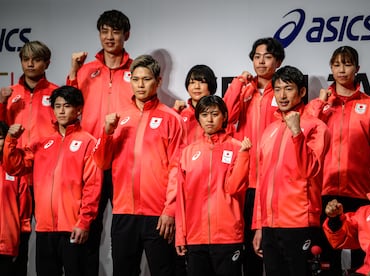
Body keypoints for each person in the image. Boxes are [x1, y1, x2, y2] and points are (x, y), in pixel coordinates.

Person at [93, 54, 184, 276]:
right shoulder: (118, 119)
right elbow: (102, 162)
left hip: (158, 215)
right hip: (124, 212)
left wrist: (170, 210)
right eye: (135, 79)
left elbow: (177, 167)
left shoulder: (171, 118)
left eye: (146, 79)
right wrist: (106, 133)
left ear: (158, 81)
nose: (140, 85)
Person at [3, 85, 103, 276]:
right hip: (45, 228)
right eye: (57, 106)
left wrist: (83, 222)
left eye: (67, 106)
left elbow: (93, 187)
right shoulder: (42, 143)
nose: (62, 111)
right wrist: (10, 141)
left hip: (73, 228)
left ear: (79, 109)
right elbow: (15, 167)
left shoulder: (88, 142)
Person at [66, 10, 133, 274]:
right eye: (104, 31)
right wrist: (73, 71)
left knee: (124, 227)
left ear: (126, 35)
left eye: (115, 31)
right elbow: (69, 105)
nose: (109, 37)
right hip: (90, 159)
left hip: (124, 158)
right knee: (87, 226)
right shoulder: (86, 71)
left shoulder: (136, 71)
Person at [307, 46, 370, 274]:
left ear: (357, 69)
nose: (341, 69)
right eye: (337, 64)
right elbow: (305, 133)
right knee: (327, 259)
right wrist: (320, 104)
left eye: (347, 64)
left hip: (361, 192)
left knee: (363, 257)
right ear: (331, 67)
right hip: (326, 189)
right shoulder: (319, 106)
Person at [252, 65, 330, 276]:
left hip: (299, 221)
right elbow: (262, 181)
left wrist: (297, 132)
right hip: (270, 225)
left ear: (302, 92)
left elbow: (310, 169)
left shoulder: (316, 127)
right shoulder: (269, 130)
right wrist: (259, 225)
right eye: (277, 89)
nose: (282, 95)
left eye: (288, 88)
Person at [223, 37, 285, 276]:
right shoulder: (245, 90)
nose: (261, 61)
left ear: (277, 61)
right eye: (257, 56)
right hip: (246, 181)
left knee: (271, 248)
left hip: (273, 182)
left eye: (267, 56)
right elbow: (226, 116)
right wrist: (238, 84)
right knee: (248, 249)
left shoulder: (281, 91)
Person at [175, 95, 252, 276]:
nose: (209, 120)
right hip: (195, 238)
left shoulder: (237, 148)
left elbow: (235, 188)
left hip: (228, 236)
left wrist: (244, 156)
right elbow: (181, 198)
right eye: (204, 115)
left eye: (215, 114)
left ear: (224, 116)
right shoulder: (188, 153)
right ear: (198, 118)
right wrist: (180, 234)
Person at [0, 40, 58, 276]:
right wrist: (2, 103)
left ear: (47, 63)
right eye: (26, 59)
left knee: (48, 232)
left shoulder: (56, 93)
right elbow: (1, 129)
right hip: (16, 171)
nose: (30, 64)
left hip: (46, 172)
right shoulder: (10, 93)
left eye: (36, 59)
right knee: (18, 232)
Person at [0, 121, 32, 275]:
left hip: (7, 244)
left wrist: (21, 239)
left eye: (0, 137)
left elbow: (24, 206)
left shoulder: (15, 170)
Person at [173, 64, 219, 144]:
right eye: (192, 82)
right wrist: (174, 112)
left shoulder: (219, 114)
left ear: (211, 85)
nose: (196, 86)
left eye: (202, 82)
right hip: (185, 156)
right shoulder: (180, 114)